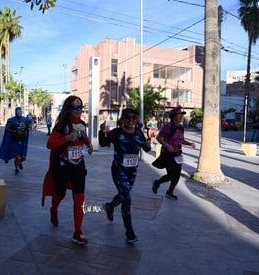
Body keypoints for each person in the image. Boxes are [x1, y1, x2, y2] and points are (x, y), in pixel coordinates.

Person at [41, 96, 93, 245]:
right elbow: (50, 144)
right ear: (68, 109)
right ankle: (54, 209)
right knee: (60, 193)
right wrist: (66, 138)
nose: (78, 111)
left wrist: (89, 146)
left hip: (78, 166)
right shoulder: (62, 125)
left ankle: (78, 231)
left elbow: (84, 137)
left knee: (80, 198)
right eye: (75, 108)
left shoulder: (82, 124)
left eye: (80, 108)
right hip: (62, 166)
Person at [99, 108, 151, 243]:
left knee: (123, 196)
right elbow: (103, 143)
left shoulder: (139, 132)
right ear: (122, 119)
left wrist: (148, 145)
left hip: (132, 171)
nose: (131, 121)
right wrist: (101, 131)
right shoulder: (117, 132)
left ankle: (109, 206)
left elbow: (146, 148)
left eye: (134, 118)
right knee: (126, 199)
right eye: (128, 118)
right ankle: (129, 231)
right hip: (118, 170)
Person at [151, 107, 196, 200]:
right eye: (178, 116)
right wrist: (167, 145)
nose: (180, 118)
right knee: (172, 175)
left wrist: (190, 144)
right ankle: (157, 182)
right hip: (168, 154)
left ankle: (170, 192)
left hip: (178, 154)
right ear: (173, 117)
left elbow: (181, 140)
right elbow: (159, 137)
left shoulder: (181, 128)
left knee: (177, 175)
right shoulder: (167, 127)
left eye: (181, 116)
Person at [0, 107, 31, 175]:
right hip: (14, 140)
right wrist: (15, 131)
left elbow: (27, 128)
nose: (19, 113)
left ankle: (20, 162)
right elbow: (7, 129)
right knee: (17, 156)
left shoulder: (25, 120)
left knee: (23, 157)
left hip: (22, 140)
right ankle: (16, 168)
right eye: (18, 112)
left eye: (20, 112)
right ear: (15, 112)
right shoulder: (11, 120)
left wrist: (26, 132)